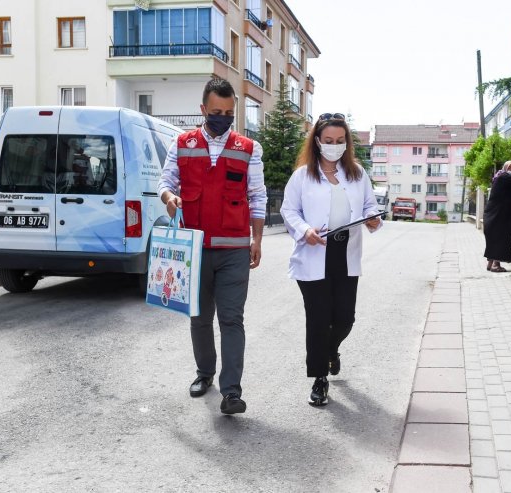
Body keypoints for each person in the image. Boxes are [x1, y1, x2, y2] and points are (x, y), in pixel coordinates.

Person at [158, 78, 267, 415]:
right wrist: (170, 198)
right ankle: (204, 373)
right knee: (200, 318)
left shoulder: (250, 148)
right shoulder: (182, 143)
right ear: (203, 109)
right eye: (216, 112)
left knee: (232, 320)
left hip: (234, 248)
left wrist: (257, 238)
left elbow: (258, 196)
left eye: (229, 113)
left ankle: (231, 392)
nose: (222, 118)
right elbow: (165, 182)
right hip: (195, 247)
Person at [280, 112, 382, 406]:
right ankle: (319, 379)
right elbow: (289, 211)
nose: (334, 146)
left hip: (345, 253)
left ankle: (330, 351)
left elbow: (369, 207)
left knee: (345, 319)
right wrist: (304, 230)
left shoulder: (357, 174)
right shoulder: (302, 176)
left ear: (347, 143)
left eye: (340, 141)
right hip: (313, 252)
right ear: (317, 142)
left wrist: (374, 221)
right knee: (318, 319)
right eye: (328, 141)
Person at [483, 160, 511, 272]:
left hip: (495, 216)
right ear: (505, 168)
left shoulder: (499, 177)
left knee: (494, 240)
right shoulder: (503, 177)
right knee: (501, 239)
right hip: (498, 217)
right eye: (510, 168)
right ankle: (495, 265)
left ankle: (490, 264)